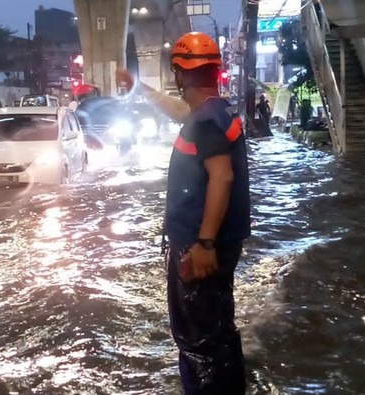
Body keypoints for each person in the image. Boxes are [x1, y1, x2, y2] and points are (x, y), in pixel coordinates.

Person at [117, 31, 250, 394]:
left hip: (200, 246)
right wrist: (139, 87)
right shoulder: (216, 112)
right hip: (218, 243)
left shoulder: (205, 122)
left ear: (178, 74)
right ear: (214, 72)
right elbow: (179, 111)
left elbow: (221, 178)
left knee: (197, 342)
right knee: (219, 330)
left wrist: (204, 242)